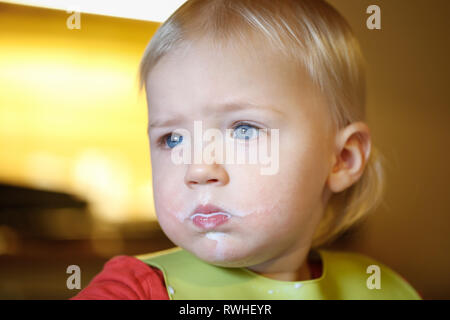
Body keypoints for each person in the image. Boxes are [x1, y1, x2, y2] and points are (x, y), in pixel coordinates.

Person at [71, 0, 422, 300]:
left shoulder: (380, 287)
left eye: (243, 130)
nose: (197, 169)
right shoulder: (135, 290)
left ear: (342, 159)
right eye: (173, 139)